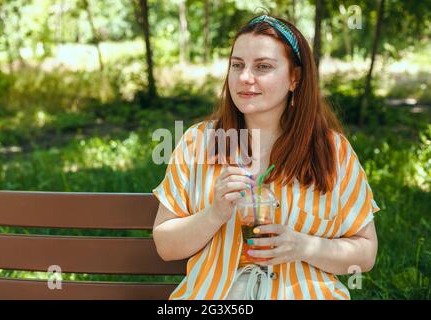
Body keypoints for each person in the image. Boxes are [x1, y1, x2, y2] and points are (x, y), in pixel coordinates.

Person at [152, 14, 380, 300]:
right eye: (237, 65)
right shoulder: (197, 143)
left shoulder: (333, 151)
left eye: (263, 67)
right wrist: (215, 213)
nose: (245, 77)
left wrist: (302, 246)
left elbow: (366, 253)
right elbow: (165, 246)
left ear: (295, 77)